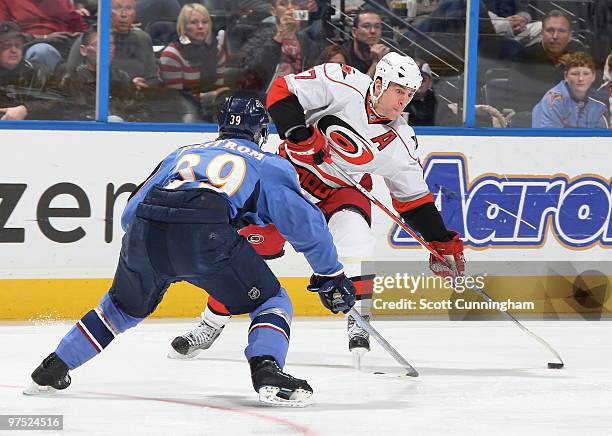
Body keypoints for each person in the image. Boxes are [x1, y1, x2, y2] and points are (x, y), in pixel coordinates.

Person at [24, 96, 355, 407]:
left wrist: (158, 248)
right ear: (261, 132)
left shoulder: (182, 152)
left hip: (145, 232)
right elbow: (305, 225)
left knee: (119, 310)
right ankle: (267, 370)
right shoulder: (269, 164)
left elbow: (129, 214)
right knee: (271, 300)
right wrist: (330, 274)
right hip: (205, 236)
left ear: (221, 127)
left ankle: (52, 368)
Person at [170, 52, 465, 362]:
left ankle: (359, 320)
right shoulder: (342, 80)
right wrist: (300, 135)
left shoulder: (401, 141)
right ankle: (211, 322)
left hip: (341, 191)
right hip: (287, 180)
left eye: (408, 94)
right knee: (245, 247)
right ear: (379, 83)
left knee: (357, 238)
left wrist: (441, 241)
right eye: (398, 91)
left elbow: (414, 200)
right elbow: (282, 92)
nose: (403, 101)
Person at [239, 0, 323, 100]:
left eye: (294, 4)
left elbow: (316, 79)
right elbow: (251, 71)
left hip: (298, 102)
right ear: (273, 11)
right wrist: (279, 37)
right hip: (265, 100)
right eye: (283, 4)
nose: (290, 8)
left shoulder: (308, 43)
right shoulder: (260, 36)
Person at [509, 9, 585, 116]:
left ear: (570, 36)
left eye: (561, 31)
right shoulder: (525, 56)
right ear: (541, 33)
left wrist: (575, 69)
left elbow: (593, 92)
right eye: (550, 30)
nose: (555, 36)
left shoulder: (579, 54)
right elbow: (516, 99)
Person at [159, 3, 227, 120]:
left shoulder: (217, 51)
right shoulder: (172, 55)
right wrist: (210, 97)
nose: (200, 26)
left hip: (212, 105)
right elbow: (176, 99)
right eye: (194, 23)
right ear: (183, 26)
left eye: (205, 22)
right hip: (179, 111)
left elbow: (218, 88)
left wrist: (218, 96)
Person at [0, 0, 88, 72]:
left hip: (65, 43)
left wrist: (78, 35)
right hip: (30, 44)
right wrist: (44, 37)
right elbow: (4, 32)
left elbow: (81, 28)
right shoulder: (7, 2)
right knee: (42, 50)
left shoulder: (63, 1)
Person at [532, 52, 609, 128]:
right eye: (575, 74)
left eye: (586, 73)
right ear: (566, 76)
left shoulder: (599, 104)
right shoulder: (553, 101)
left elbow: (601, 137)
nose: (580, 79)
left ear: (593, 76)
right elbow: (548, 138)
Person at [0, 21, 54, 120]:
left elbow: (57, 102)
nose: (13, 50)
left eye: (18, 45)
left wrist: (26, 109)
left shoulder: (38, 71)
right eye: (7, 46)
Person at [342, 10, 390, 78]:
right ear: (354, 32)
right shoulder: (343, 55)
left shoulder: (389, 50)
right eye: (366, 26)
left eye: (377, 27)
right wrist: (375, 63)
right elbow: (358, 88)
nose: (373, 31)